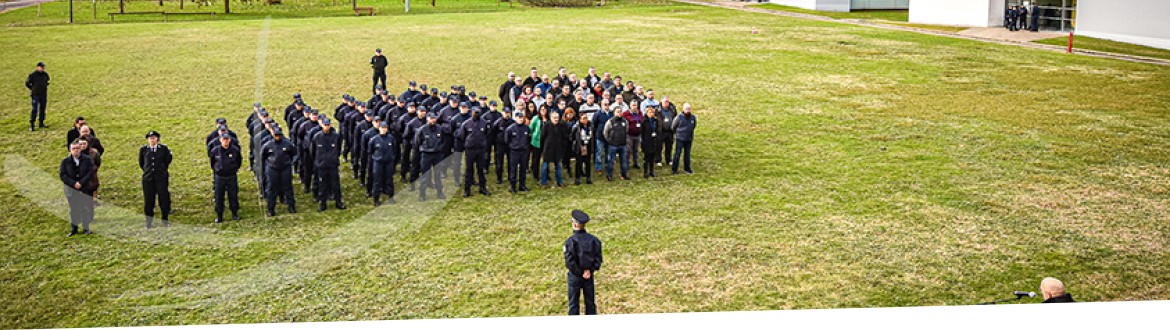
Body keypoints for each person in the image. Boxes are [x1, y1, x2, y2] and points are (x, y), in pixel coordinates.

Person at [563, 209, 602, 316]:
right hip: (589, 276)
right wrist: (589, 271)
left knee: (573, 304)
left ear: (575, 224)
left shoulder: (570, 242)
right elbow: (598, 258)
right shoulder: (594, 240)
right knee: (590, 303)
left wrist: (580, 272)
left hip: (575, 277)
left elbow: (569, 261)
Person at [60, 140, 95, 237]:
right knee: (73, 209)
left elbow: (90, 172)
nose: (76, 150)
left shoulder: (87, 159)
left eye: (77, 148)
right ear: (70, 150)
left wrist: (81, 183)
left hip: (84, 188)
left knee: (84, 208)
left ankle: (86, 228)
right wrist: (73, 183)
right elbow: (63, 175)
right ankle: (74, 228)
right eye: (73, 149)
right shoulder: (65, 162)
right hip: (71, 189)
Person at [139, 131, 173, 229]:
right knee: (149, 200)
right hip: (148, 179)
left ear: (157, 139)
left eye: (154, 138)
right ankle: (148, 222)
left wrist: (161, 170)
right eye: (150, 138)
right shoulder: (144, 150)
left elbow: (167, 160)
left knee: (163, 198)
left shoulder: (163, 149)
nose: (152, 140)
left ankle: (165, 220)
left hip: (161, 178)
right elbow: (142, 163)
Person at [261, 127, 297, 216]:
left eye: (279, 135)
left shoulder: (288, 144)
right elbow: (263, 157)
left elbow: (294, 154)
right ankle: (271, 209)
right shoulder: (267, 145)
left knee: (288, 188)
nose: (277, 137)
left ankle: (291, 206)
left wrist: (289, 163)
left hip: (285, 168)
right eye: (275, 135)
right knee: (271, 189)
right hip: (272, 169)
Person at [312, 117, 346, 211]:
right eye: (325, 125)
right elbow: (313, 151)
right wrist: (319, 161)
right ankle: (322, 204)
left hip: (333, 165)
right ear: (322, 125)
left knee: (336, 185)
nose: (327, 127)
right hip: (322, 165)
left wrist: (334, 158)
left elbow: (338, 149)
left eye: (328, 125)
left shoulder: (336, 136)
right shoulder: (317, 137)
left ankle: (338, 202)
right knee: (322, 185)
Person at [458, 106, 491, 197]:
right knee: (469, 170)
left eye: (478, 113)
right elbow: (461, 136)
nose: (476, 114)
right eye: (475, 113)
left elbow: (487, 134)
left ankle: (482, 188)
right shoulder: (466, 123)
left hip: (480, 149)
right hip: (470, 150)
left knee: (480, 170)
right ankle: (467, 190)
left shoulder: (484, 123)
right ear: (471, 113)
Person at [414, 111, 448, 201]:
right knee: (425, 175)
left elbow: (444, 141)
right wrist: (424, 149)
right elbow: (417, 142)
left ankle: (440, 192)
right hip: (426, 155)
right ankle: (422, 194)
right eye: (431, 118)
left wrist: (439, 149)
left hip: (437, 155)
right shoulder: (422, 129)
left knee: (438, 175)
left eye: (434, 118)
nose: (433, 120)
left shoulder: (440, 129)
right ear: (427, 119)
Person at [209, 133, 242, 223]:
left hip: (231, 176)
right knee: (219, 196)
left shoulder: (235, 150)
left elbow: (239, 161)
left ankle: (234, 214)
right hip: (220, 177)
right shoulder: (215, 151)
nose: (225, 141)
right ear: (220, 140)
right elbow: (212, 163)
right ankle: (219, 215)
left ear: (230, 140)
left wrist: (234, 169)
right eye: (224, 139)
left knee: (233, 195)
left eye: (227, 139)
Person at [367, 122, 398, 205]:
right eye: (382, 128)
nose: (384, 129)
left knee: (389, 180)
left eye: (385, 128)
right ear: (379, 128)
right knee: (377, 181)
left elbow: (394, 149)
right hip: (378, 162)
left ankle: (391, 197)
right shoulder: (374, 139)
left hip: (388, 162)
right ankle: (376, 199)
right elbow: (370, 151)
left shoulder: (391, 138)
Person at [540, 112, 570, 188]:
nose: (556, 119)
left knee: (558, 167)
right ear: (550, 118)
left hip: (558, 149)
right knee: (545, 167)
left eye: (557, 117)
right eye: (554, 117)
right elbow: (542, 137)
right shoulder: (546, 125)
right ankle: (543, 183)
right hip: (548, 149)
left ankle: (560, 182)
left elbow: (564, 136)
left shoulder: (561, 126)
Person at [504, 111, 531, 193]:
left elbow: (529, 139)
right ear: (515, 118)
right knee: (513, 169)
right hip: (514, 151)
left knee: (523, 169)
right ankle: (513, 187)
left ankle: (522, 185)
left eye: (522, 118)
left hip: (524, 151)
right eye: (519, 118)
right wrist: (513, 147)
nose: (520, 119)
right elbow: (506, 140)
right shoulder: (510, 129)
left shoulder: (527, 128)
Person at [603, 107, 630, 181]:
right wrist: (609, 140)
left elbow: (626, 130)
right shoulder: (610, 121)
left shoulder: (625, 121)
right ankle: (609, 175)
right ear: (614, 113)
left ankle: (624, 175)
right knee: (611, 161)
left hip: (623, 145)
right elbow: (605, 132)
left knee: (624, 161)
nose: (619, 113)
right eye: (617, 112)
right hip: (613, 145)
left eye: (620, 111)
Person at [672, 103, 697, 175]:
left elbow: (694, 126)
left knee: (687, 154)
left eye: (689, 109)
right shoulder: (678, 117)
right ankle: (674, 170)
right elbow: (673, 127)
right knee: (677, 154)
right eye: (686, 109)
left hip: (689, 139)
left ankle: (687, 168)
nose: (688, 110)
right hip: (680, 139)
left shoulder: (693, 117)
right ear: (683, 109)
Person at [26, 62, 50, 131]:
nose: (43, 69)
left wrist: (45, 85)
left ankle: (41, 123)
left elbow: (48, 81)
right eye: (41, 67)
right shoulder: (33, 75)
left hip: (43, 94)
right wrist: (32, 88)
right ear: (37, 67)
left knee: (42, 108)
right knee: (34, 109)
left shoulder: (45, 74)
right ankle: (32, 125)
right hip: (35, 94)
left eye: (43, 67)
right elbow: (27, 83)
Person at [571, 111, 594, 185]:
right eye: (583, 118)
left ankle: (588, 177)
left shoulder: (590, 126)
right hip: (580, 146)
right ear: (580, 119)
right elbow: (572, 136)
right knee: (579, 163)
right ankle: (577, 178)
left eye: (586, 118)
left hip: (588, 145)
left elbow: (592, 135)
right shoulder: (577, 127)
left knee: (587, 163)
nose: (585, 120)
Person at [640, 106, 663, 178]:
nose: (651, 114)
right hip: (647, 141)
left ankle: (652, 171)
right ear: (646, 113)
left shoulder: (655, 120)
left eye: (652, 112)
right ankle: (646, 172)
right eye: (649, 112)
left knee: (652, 158)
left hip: (654, 141)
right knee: (646, 158)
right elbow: (642, 133)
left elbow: (657, 129)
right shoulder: (644, 121)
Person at [659, 96, 677, 167]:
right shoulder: (658, 109)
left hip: (670, 131)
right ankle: (658, 160)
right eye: (665, 102)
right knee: (659, 146)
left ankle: (668, 160)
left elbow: (676, 118)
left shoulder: (672, 109)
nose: (667, 103)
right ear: (662, 102)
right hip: (661, 131)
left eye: (667, 101)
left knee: (669, 146)